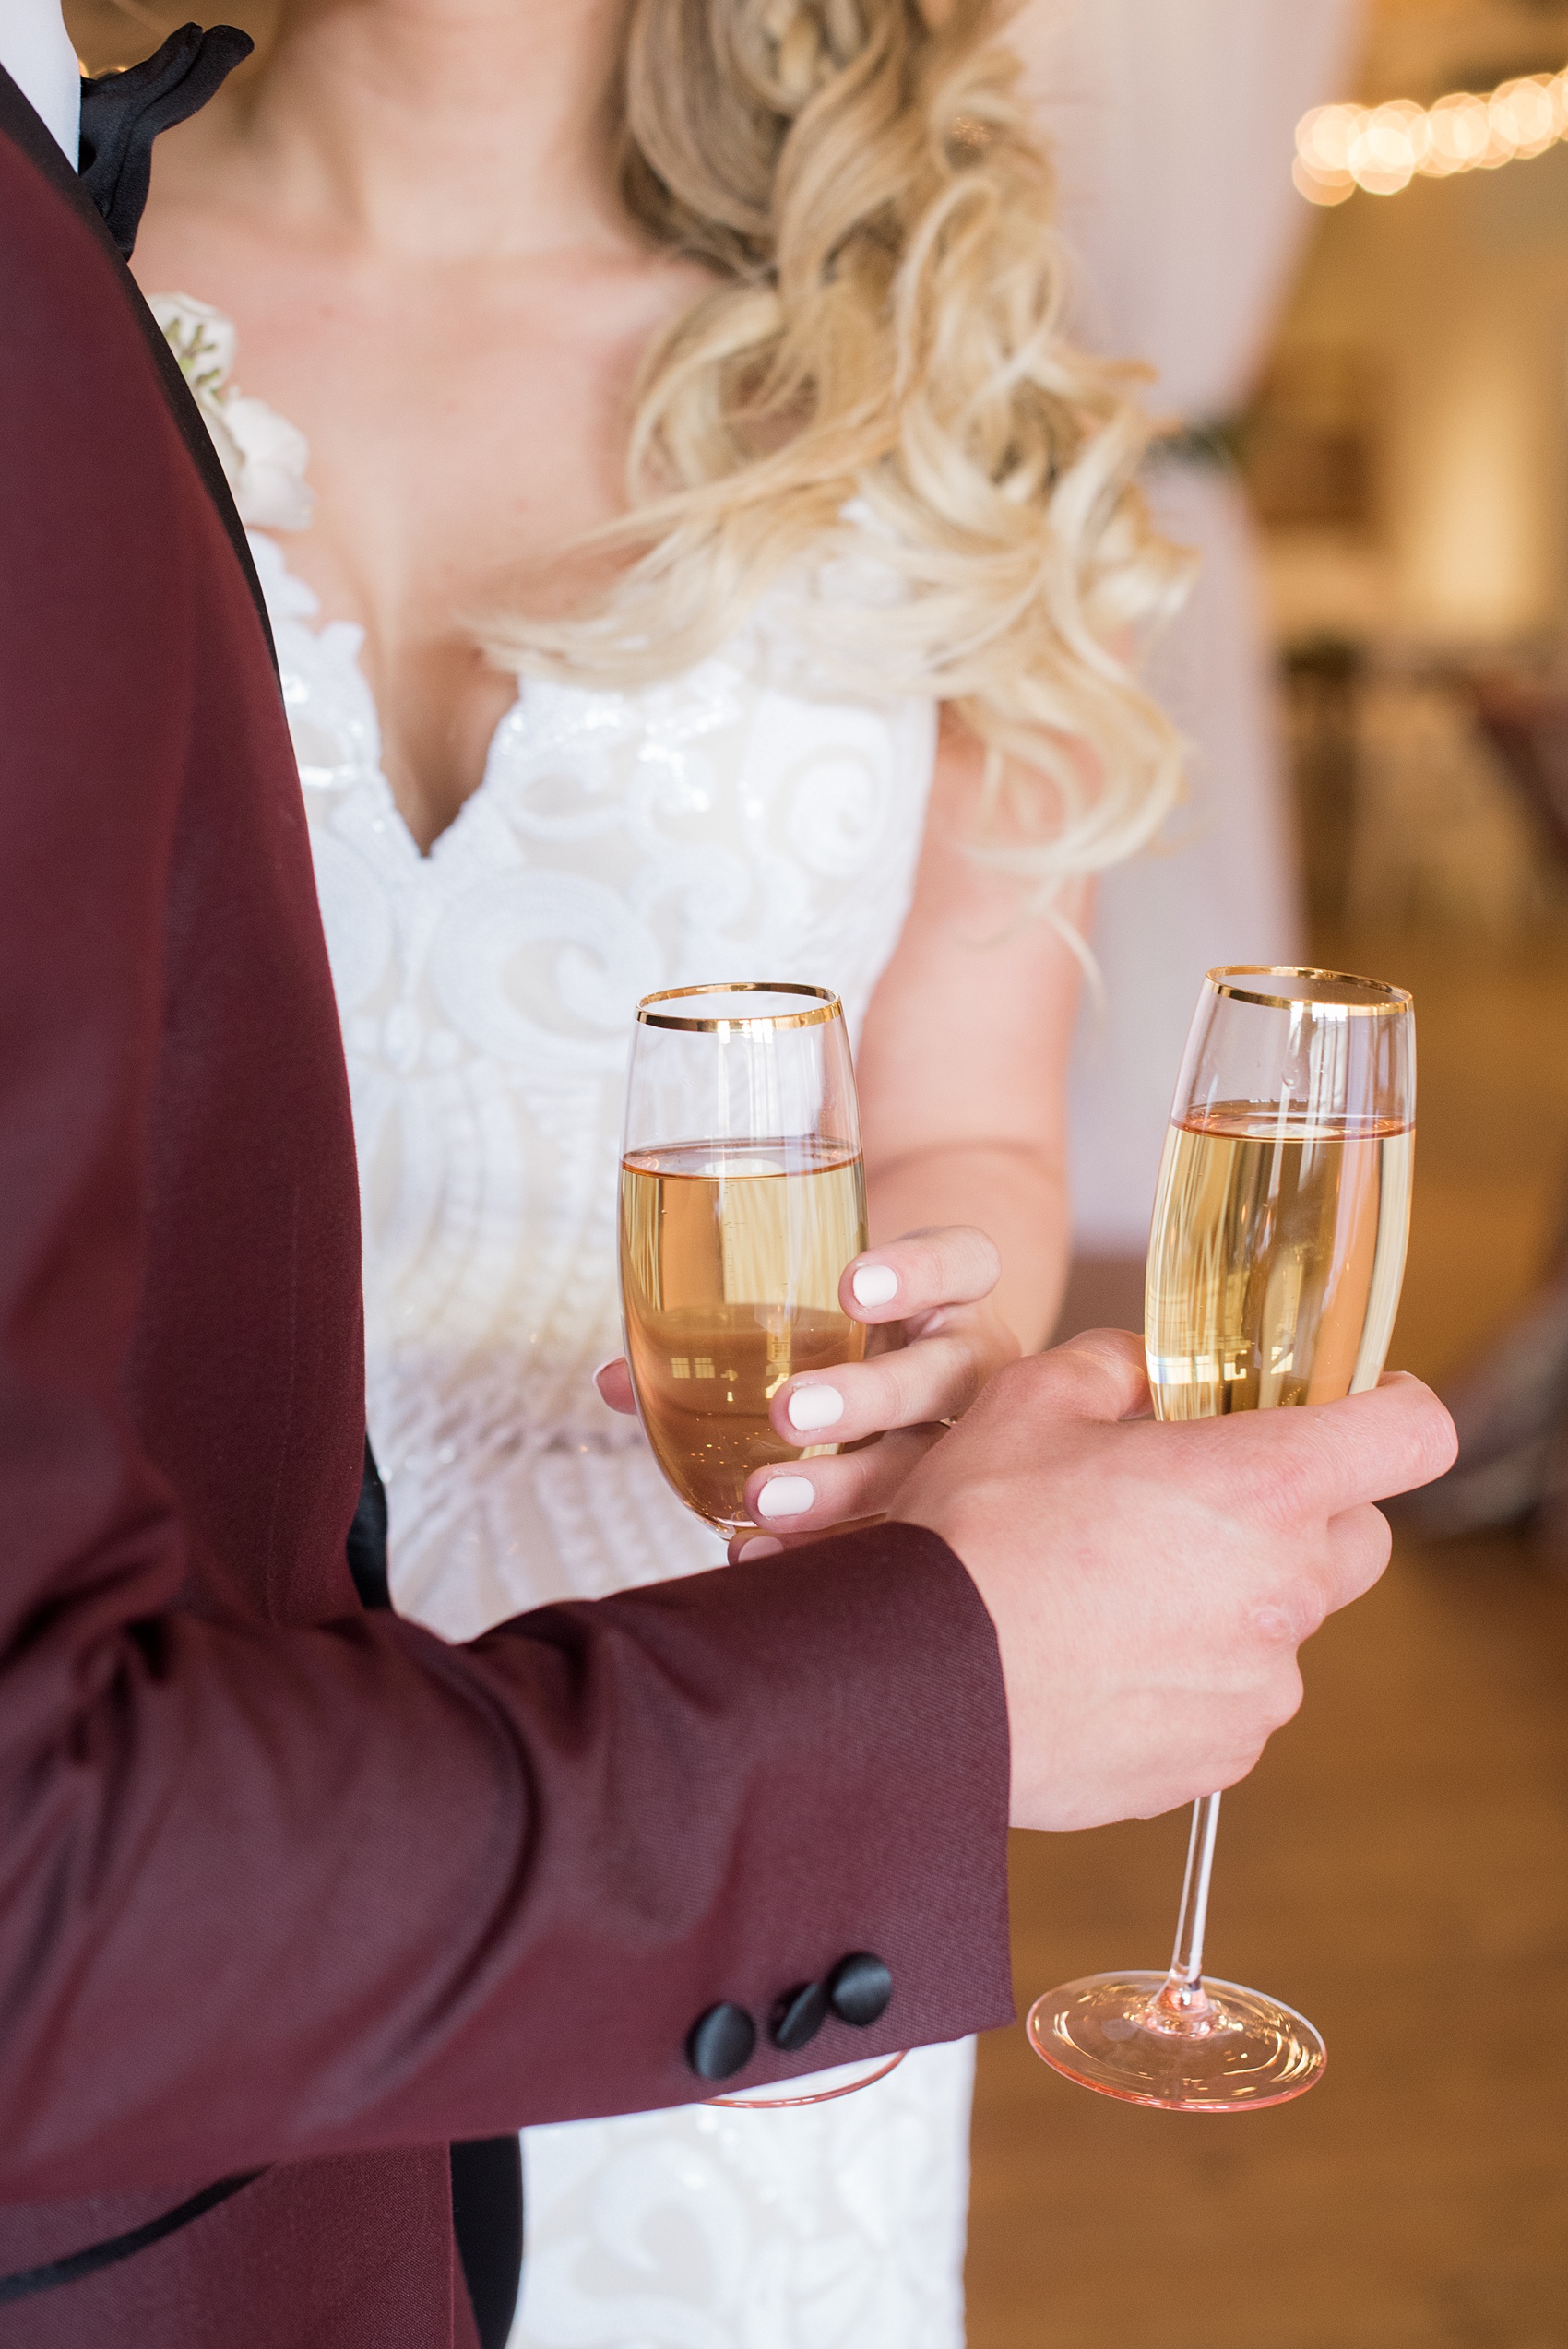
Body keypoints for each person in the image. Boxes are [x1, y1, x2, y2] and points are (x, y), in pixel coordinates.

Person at [0, 10, 1456, 2348]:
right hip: (191, 1755)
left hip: (748, 1699)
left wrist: (935, 1389)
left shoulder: (916, 354)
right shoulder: (61, 276)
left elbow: (965, 1110)